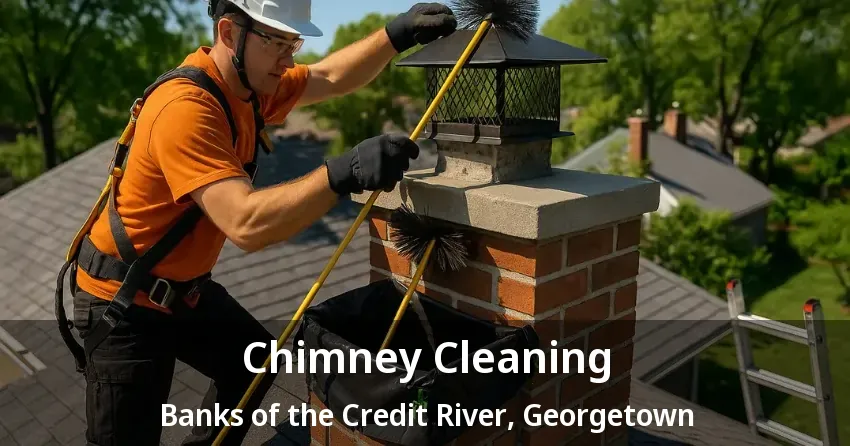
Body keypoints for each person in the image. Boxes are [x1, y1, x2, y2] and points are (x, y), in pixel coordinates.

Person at [59, 0, 457, 444]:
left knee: (251, 365)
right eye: (277, 44)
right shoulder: (186, 108)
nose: (288, 60)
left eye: (293, 44)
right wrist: (341, 173)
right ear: (230, 33)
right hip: (123, 303)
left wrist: (397, 34)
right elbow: (245, 223)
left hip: (181, 292)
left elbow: (329, 76)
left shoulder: (249, 88)